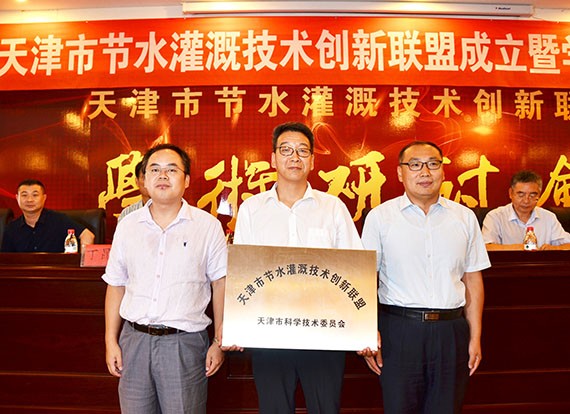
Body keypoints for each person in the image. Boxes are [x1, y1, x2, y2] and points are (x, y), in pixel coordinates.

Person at [233, 121, 364, 414]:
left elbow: (354, 270)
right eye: (286, 150)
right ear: (273, 159)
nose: (295, 157)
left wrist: (363, 329)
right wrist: (237, 326)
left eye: (303, 151)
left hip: (325, 332)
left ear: (313, 160)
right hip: (268, 331)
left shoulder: (333, 208)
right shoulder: (252, 209)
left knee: (325, 407)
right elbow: (243, 273)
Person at [360, 141, 490, 414]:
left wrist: (475, 336)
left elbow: (473, 279)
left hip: (450, 332)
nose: (425, 172)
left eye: (432, 164)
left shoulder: (464, 218)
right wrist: (368, 332)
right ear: (400, 172)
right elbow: (366, 278)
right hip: (399, 331)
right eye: (415, 165)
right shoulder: (380, 218)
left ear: (442, 171)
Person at [103, 144, 230, 414]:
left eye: (171, 170)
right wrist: (110, 341)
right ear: (144, 179)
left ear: (186, 180)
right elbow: (116, 284)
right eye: (155, 170)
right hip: (134, 342)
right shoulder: (128, 226)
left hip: (183, 344)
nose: (162, 176)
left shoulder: (207, 226)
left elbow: (221, 284)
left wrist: (219, 343)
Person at [482, 170, 570, 250]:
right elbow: (486, 248)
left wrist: (556, 248)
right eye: (521, 195)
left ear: (539, 195)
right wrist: (518, 248)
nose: (526, 200)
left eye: (532, 195)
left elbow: (568, 245)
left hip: (540, 263)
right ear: (510, 193)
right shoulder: (495, 217)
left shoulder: (549, 217)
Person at [1, 179, 95, 252]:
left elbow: (88, 236)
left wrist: (82, 262)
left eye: (35, 195)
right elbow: (6, 260)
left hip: (56, 270)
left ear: (44, 198)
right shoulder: (11, 228)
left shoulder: (59, 220)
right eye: (24, 195)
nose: (29, 200)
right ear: (17, 198)